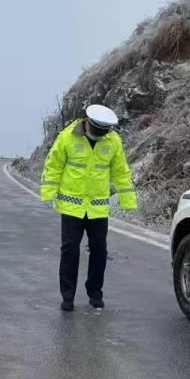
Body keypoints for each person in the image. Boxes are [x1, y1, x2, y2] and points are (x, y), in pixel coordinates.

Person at [40, 104, 137, 311]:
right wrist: (48, 193)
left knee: (99, 251)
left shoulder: (113, 141)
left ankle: (95, 293)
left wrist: (128, 200)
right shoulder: (67, 137)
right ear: (88, 124)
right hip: (71, 207)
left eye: (105, 131)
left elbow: (121, 172)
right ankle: (67, 296)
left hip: (98, 209)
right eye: (98, 131)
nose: (101, 135)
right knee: (69, 251)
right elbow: (54, 165)